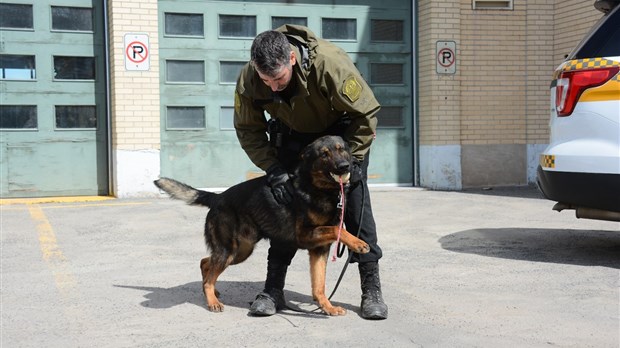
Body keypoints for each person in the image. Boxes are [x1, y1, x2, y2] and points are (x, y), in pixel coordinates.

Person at [233, 24, 387, 320]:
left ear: (292, 58)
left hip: (340, 137)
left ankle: (371, 288)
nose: (273, 87)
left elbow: (365, 114)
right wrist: (273, 168)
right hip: (294, 139)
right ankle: (273, 289)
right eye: (266, 80)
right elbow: (248, 129)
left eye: (278, 79)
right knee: (286, 208)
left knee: (354, 206)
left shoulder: (329, 63)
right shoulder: (251, 78)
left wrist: (352, 160)